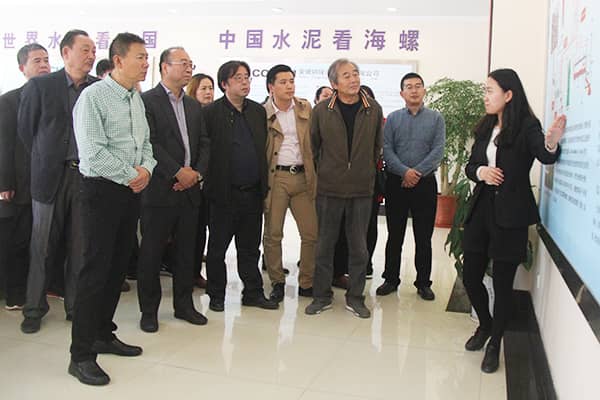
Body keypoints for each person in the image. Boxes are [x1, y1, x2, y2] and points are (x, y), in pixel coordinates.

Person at [462, 68, 565, 373]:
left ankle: (495, 343)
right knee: (471, 276)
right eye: (485, 90)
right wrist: (481, 172)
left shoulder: (527, 126)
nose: (485, 96)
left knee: (503, 285)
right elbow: (471, 165)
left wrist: (551, 143)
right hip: (482, 209)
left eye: (490, 90)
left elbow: (545, 156)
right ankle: (485, 325)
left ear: (508, 95)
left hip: (511, 214)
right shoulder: (485, 127)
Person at [69, 32, 156, 386]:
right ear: (119, 60)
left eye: (147, 57)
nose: (146, 63)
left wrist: (146, 169)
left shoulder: (135, 98)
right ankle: (80, 355)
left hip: (129, 191)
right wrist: (132, 175)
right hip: (101, 192)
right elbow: (92, 153)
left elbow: (146, 144)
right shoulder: (93, 97)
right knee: (95, 272)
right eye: (140, 57)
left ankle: (103, 334)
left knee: (118, 268)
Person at [18, 30, 98, 333]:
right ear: (66, 53)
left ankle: (75, 306)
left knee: (81, 246)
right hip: (49, 177)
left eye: (93, 51)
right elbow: (27, 132)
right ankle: (34, 309)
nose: (91, 56)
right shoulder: (41, 86)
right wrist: (47, 157)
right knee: (42, 247)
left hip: (86, 177)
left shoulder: (97, 88)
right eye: (85, 50)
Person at [137, 47, 210, 332]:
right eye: (183, 63)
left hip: (190, 190)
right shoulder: (146, 101)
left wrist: (196, 174)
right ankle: (149, 311)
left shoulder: (192, 105)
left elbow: (204, 142)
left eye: (191, 64)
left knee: (186, 252)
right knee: (152, 253)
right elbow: (150, 143)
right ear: (165, 67)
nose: (189, 68)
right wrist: (178, 172)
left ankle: (184, 305)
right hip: (159, 190)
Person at [306, 58, 383, 318]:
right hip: (329, 189)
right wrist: (329, 171)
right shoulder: (321, 110)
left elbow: (377, 147)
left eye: (356, 73)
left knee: (359, 247)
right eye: (347, 75)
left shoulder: (372, 108)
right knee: (325, 245)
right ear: (334, 83)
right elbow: (314, 147)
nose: (354, 79)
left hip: (361, 190)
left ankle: (356, 297)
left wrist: (363, 170)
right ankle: (321, 296)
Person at [203, 60, 278, 312]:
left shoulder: (257, 111)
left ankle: (253, 293)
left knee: (250, 248)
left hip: (252, 193)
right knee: (217, 249)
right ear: (224, 84)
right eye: (238, 78)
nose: (245, 82)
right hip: (223, 194)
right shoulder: (211, 113)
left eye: (247, 77)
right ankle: (216, 295)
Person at [377, 72, 446, 300]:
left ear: (424, 90)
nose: (414, 90)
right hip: (396, 182)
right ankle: (390, 279)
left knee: (423, 236)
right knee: (394, 234)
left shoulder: (436, 119)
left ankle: (423, 283)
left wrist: (415, 173)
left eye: (418, 86)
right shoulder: (393, 119)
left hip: (424, 184)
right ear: (402, 93)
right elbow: (387, 149)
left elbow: (438, 151)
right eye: (409, 86)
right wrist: (404, 172)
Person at [0, 44, 50, 311]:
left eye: (46, 60)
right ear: (22, 68)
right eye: (37, 61)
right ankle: (15, 293)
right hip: (20, 184)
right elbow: (4, 144)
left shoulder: (55, 97)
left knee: (43, 242)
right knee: (19, 241)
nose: (43, 65)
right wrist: (5, 182)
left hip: (49, 181)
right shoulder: (9, 101)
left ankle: (43, 288)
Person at [262, 64, 317, 303]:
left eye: (291, 81)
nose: (289, 86)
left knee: (311, 233)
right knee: (273, 233)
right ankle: (277, 281)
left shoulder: (305, 108)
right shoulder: (262, 112)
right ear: (271, 87)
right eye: (283, 82)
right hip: (277, 177)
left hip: (303, 177)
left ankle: (307, 282)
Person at [185, 72, 215, 289]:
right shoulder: (189, 113)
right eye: (203, 88)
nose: (208, 92)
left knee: (201, 230)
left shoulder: (215, 114)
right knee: (188, 231)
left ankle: (195, 272)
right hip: (187, 179)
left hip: (209, 182)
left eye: (210, 88)